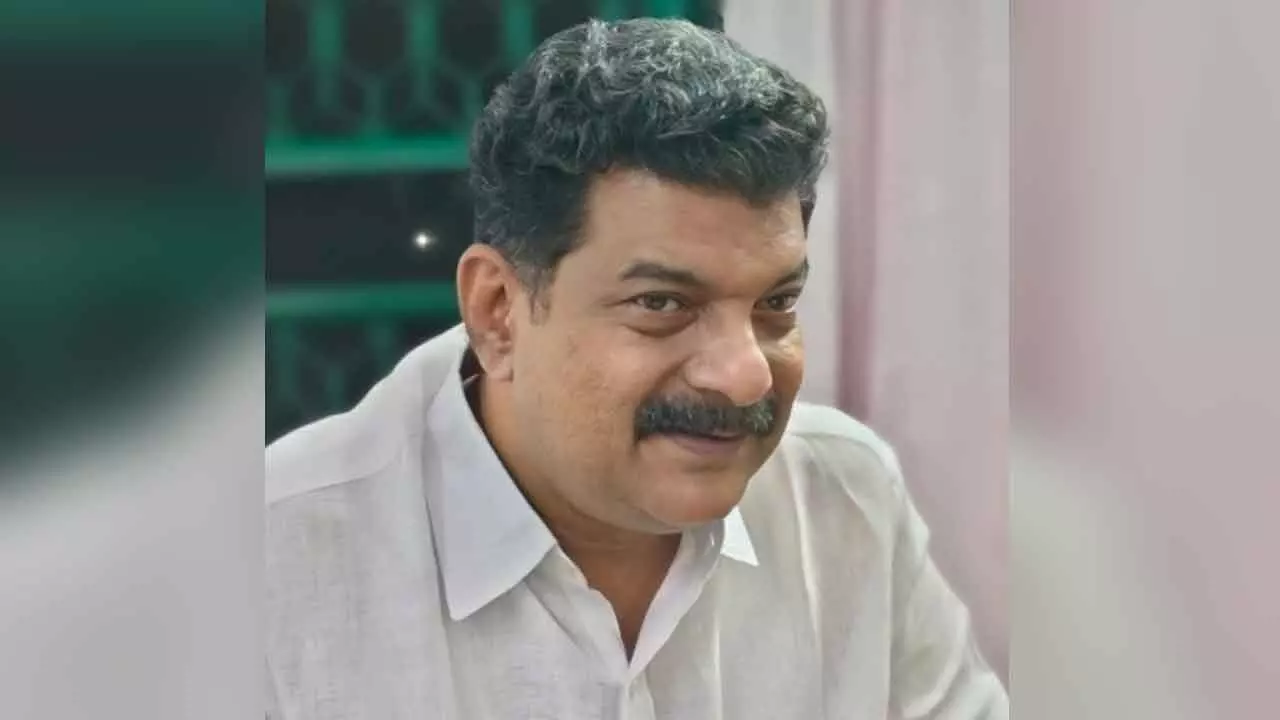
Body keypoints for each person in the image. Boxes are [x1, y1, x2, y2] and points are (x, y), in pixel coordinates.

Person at [266, 17, 1007, 719]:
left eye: (777, 303)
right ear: (498, 312)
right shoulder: (265, 566)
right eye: (662, 304)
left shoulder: (844, 501)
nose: (746, 376)